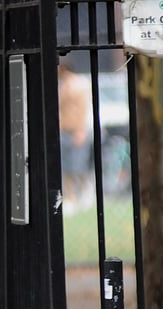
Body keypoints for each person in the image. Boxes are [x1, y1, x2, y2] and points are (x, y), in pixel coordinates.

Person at [58, 60, 93, 213]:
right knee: (66, 168)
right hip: (64, 131)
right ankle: (70, 197)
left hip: (77, 131)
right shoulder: (62, 86)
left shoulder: (78, 85)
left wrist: (81, 131)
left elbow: (83, 110)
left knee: (78, 166)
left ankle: (86, 192)